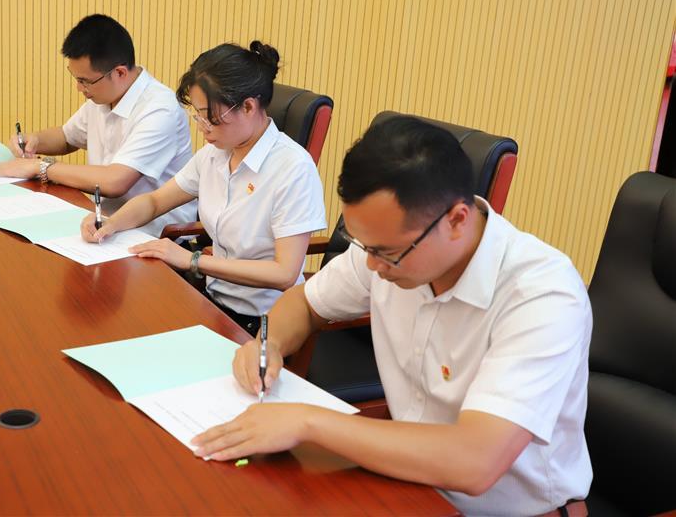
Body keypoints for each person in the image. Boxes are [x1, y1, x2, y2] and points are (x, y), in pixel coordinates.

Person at [193, 116, 593, 516]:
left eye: (385, 252)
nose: (371, 265)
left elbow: (476, 462)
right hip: (402, 482)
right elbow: (304, 304)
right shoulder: (388, 247)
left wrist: (307, 422)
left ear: (456, 220)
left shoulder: (542, 295)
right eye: (362, 245)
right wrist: (269, 344)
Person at [81, 41, 327, 336]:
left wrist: (193, 260)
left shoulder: (292, 168)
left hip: (266, 323)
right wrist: (111, 223)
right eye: (197, 115)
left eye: (210, 117)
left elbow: (284, 273)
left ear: (248, 106)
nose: (202, 127)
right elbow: (156, 202)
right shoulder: (215, 154)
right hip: (212, 303)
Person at [0, 14, 196, 236]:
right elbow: (67, 137)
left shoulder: (160, 109)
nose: (79, 88)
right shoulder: (105, 95)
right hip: (104, 220)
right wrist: (35, 140)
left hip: (155, 232)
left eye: (85, 81)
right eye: (76, 78)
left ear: (119, 72)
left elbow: (115, 182)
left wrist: (41, 167)